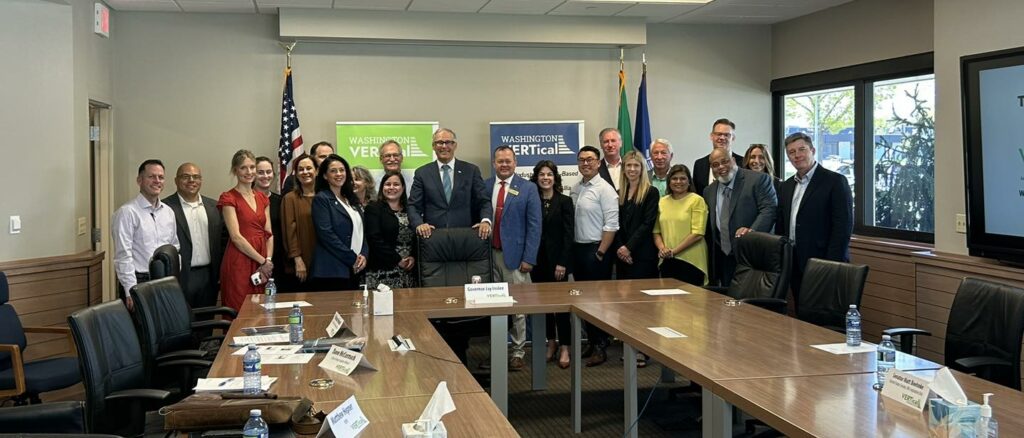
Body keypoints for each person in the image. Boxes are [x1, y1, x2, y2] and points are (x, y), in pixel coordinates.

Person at [776, 132, 853, 310]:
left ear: (813, 150)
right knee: (802, 312)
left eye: (802, 149)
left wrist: (830, 265)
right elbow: (781, 224)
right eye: (792, 152)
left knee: (824, 315)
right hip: (794, 262)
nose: (797, 155)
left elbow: (843, 228)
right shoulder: (786, 186)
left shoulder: (834, 182)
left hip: (824, 262)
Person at [485, 146, 542, 372]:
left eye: (508, 161)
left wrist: (529, 257)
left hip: (516, 258)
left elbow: (535, 226)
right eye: (500, 161)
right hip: (488, 256)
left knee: (517, 308)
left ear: (515, 162)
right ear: (494, 163)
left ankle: (518, 352)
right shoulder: (485, 185)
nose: (504, 165)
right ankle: (496, 350)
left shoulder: (528, 188)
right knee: (490, 306)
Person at [571, 145, 619, 367]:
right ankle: (591, 341)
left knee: (599, 302)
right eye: (581, 160)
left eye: (590, 159)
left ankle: (601, 345)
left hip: (597, 251)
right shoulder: (576, 188)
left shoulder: (605, 189)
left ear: (598, 163)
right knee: (584, 301)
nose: (585, 163)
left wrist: (600, 252)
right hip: (578, 250)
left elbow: (612, 224)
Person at [704, 148, 777, 288]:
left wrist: (751, 232)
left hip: (752, 256)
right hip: (724, 258)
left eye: (724, 161)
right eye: (715, 164)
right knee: (727, 303)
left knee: (752, 304)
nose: (721, 167)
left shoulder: (758, 180)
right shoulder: (709, 191)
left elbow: (769, 210)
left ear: (733, 160)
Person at [112, 159, 180, 310]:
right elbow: (123, 255)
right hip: (139, 282)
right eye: (151, 176)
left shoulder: (168, 212)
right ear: (139, 180)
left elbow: (174, 247)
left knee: (164, 330)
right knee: (141, 331)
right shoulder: (127, 212)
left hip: (165, 281)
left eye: (160, 177)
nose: (157, 181)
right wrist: (130, 289)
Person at [529, 160, 574, 369]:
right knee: (543, 305)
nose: (545, 178)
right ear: (536, 178)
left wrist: (562, 262)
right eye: (541, 174)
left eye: (549, 174)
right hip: (537, 262)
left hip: (558, 263)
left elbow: (568, 234)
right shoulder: (532, 200)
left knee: (561, 306)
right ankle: (551, 343)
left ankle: (565, 346)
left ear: (555, 177)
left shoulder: (564, 201)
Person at [408, 127, 491, 240]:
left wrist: (485, 221)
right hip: (432, 237)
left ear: (455, 145)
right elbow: (413, 205)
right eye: (439, 142)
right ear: (433, 146)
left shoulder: (471, 171)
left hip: (465, 236)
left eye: (448, 142)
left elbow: (484, 201)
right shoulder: (422, 173)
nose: (444, 146)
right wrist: (419, 224)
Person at [163, 163, 225, 308]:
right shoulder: (165, 208)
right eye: (185, 176)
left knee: (207, 323)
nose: (192, 180)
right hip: (180, 277)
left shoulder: (214, 207)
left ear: (201, 180)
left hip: (209, 277)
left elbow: (222, 242)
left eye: (196, 177)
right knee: (181, 325)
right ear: (176, 180)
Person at [218, 150, 274, 311]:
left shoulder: (263, 198)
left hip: (263, 259)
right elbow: (236, 237)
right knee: (239, 308)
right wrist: (263, 262)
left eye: (252, 167)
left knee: (261, 310)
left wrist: (268, 260)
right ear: (235, 170)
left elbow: (269, 233)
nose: (249, 172)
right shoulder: (228, 198)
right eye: (243, 168)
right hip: (239, 260)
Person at [311, 154, 368, 291]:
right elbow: (326, 234)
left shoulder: (351, 199)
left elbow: (362, 232)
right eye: (333, 171)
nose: (339, 174)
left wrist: (364, 255)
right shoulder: (322, 199)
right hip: (332, 270)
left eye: (342, 170)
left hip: (354, 269)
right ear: (325, 176)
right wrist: (352, 258)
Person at [654, 164, 709, 286]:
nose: (678, 181)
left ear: (689, 181)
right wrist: (663, 249)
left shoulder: (697, 200)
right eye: (674, 178)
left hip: (691, 260)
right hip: (667, 259)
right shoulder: (662, 202)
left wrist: (674, 251)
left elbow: (698, 233)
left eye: (683, 178)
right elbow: (656, 231)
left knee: (690, 302)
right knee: (667, 302)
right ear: (669, 182)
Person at [364, 171, 417, 289]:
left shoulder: (411, 210)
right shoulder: (373, 208)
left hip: (408, 271)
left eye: (396, 184)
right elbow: (374, 239)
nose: (392, 187)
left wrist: (413, 257)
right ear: (382, 187)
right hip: (382, 271)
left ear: (403, 188)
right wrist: (397, 260)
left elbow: (417, 238)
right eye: (388, 184)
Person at [614, 151, 660, 281]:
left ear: (642, 169)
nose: (632, 169)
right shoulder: (619, 193)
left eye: (636, 165)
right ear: (623, 169)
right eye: (628, 165)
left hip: (643, 255)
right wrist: (620, 248)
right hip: (622, 255)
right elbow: (614, 223)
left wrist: (628, 247)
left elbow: (648, 223)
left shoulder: (651, 192)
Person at [281, 154, 318, 292]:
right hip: (301, 264)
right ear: (296, 174)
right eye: (301, 169)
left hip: (323, 263)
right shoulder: (290, 199)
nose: (305, 172)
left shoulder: (325, 197)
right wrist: (297, 259)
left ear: (317, 171)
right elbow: (289, 231)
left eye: (309, 168)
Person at [692, 119, 746, 197]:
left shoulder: (744, 162)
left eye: (727, 135)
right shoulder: (699, 164)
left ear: (733, 138)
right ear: (711, 136)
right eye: (718, 134)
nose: (722, 138)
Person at [254, 157, 286, 288]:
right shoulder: (244, 200)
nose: (265, 176)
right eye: (260, 172)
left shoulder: (281, 201)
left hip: (277, 262)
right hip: (252, 258)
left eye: (269, 172)